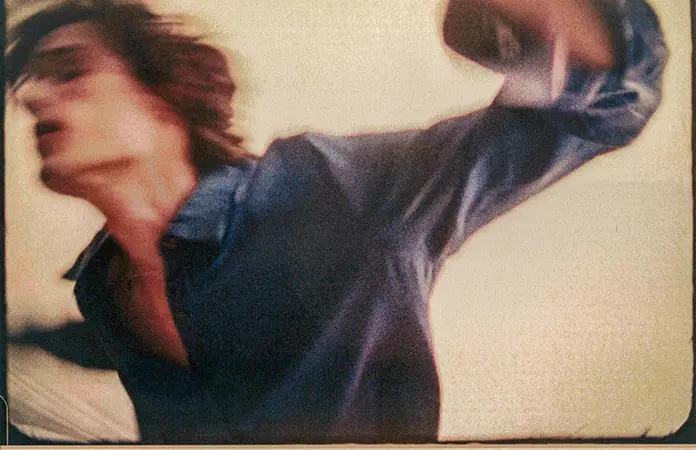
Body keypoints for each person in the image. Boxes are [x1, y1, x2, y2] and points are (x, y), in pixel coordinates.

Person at [6, 0, 667, 444]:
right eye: (29, 81)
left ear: (161, 98)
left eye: (70, 72)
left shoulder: (326, 192)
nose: (31, 96)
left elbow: (608, 105)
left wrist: (573, 22)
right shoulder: (101, 289)